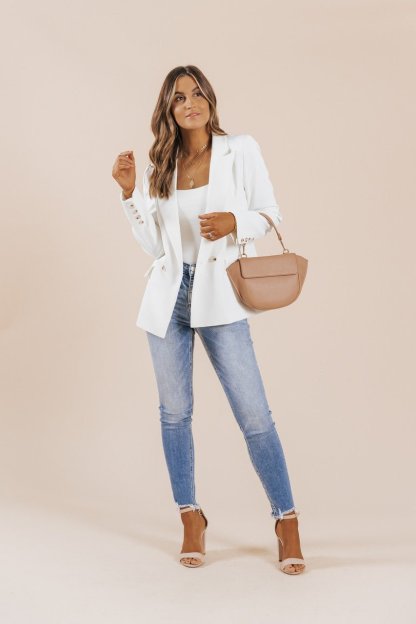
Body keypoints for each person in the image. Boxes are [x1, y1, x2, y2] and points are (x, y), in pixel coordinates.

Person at [112, 65, 305, 575]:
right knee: (174, 414)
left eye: (196, 93)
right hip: (170, 296)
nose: (189, 103)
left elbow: (271, 212)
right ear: (169, 110)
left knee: (254, 415)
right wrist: (130, 194)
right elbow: (155, 245)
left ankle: (286, 520)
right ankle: (190, 517)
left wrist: (234, 221)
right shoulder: (162, 162)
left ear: (210, 100)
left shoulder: (240, 149)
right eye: (179, 98)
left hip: (220, 294)